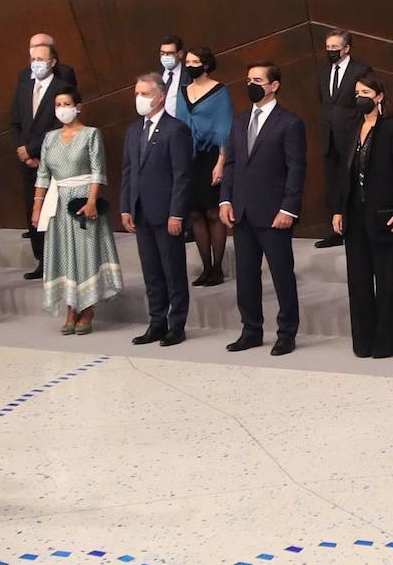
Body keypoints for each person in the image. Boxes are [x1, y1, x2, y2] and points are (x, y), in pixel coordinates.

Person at [218, 60, 306, 354]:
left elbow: (296, 169)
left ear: (274, 85)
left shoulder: (289, 122)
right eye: (248, 80)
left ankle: (287, 333)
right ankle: (251, 330)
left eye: (257, 80)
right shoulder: (240, 121)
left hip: (274, 213)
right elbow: (231, 164)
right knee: (246, 277)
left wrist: (289, 208)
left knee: (282, 275)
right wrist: (225, 199)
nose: (251, 85)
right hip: (242, 212)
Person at [331, 72, 393, 359]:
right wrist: (338, 209)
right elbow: (343, 174)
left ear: (379, 96)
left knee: (385, 282)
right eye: (357, 93)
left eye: (365, 93)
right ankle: (363, 342)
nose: (359, 98)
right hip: (355, 215)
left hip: (384, 215)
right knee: (358, 280)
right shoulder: (352, 128)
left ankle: (385, 343)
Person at [31, 90, 122, 335]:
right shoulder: (49, 138)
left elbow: (98, 170)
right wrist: (37, 207)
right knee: (65, 253)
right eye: (58, 104)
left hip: (83, 201)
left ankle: (88, 308)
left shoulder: (91, 134)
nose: (62, 108)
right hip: (58, 202)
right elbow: (43, 174)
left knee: (85, 252)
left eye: (67, 104)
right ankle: (71, 308)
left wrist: (92, 201)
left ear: (78, 106)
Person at [123, 74, 193, 347]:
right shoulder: (133, 131)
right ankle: (156, 322)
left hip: (166, 213)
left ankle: (177, 325)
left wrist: (177, 213)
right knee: (151, 271)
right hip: (141, 211)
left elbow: (182, 176)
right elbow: (128, 171)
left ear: (160, 97)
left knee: (172, 271)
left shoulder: (176, 130)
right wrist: (126, 207)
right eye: (137, 94)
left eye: (145, 94)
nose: (139, 99)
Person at [11, 41, 72, 279]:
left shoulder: (62, 88)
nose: (36, 64)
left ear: (53, 62)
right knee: (33, 210)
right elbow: (15, 123)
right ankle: (42, 260)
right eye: (33, 59)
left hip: (53, 160)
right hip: (28, 163)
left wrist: (32, 150)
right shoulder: (23, 87)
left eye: (41, 59)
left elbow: (59, 125)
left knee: (54, 212)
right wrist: (23, 152)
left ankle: (60, 260)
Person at [176, 46, 233, 286]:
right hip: (188, 156)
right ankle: (206, 267)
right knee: (195, 213)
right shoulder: (182, 91)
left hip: (211, 155)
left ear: (206, 64)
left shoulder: (219, 91)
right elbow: (179, 124)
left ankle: (217, 268)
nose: (190, 66)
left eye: (195, 62)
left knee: (212, 211)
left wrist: (221, 163)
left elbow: (224, 128)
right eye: (188, 62)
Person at [315, 29, 370, 249]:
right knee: (332, 182)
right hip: (329, 136)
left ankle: (354, 226)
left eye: (335, 48)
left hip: (351, 135)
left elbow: (363, 103)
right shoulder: (322, 72)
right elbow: (325, 102)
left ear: (346, 48)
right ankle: (336, 229)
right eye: (328, 47)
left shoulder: (361, 70)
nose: (330, 51)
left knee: (352, 181)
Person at [158, 36, 191, 117]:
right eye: (162, 53)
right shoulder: (157, 75)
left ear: (180, 54)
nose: (165, 57)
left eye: (169, 53)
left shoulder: (189, 75)